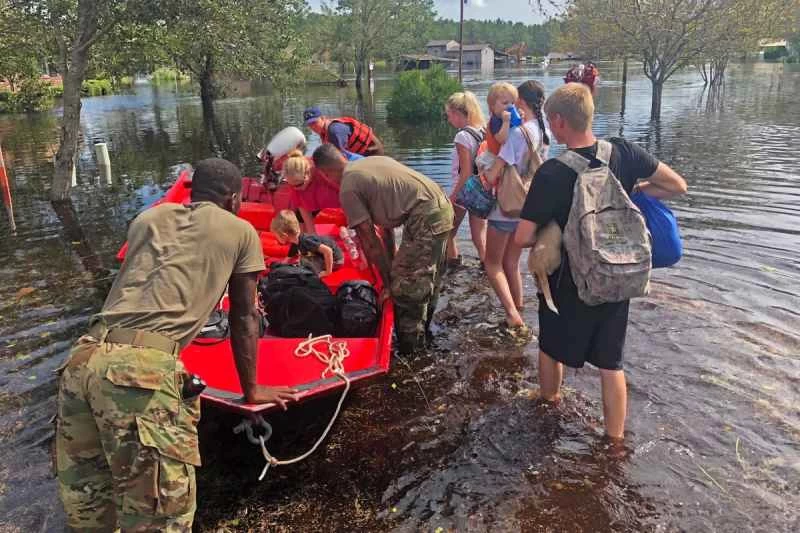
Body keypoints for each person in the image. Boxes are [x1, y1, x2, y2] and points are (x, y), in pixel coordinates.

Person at [55, 159, 298, 531]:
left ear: (193, 191)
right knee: (162, 516)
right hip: (142, 372)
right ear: (233, 198)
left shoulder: (148, 219)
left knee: (90, 505)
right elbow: (244, 317)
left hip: (83, 359)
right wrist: (251, 390)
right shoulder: (240, 230)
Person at [514, 83, 687, 440]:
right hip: (617, 273)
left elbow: (521, 237)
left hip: (569, 282)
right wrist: (633, 192)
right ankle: (615, 441)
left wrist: (550, 226)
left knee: (551, 346)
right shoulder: (623, 152)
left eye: (550, 121)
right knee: (611, 363)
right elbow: (676, 186)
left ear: (560, 122)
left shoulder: (552, 173)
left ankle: (549, 400)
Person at [312, 144, 453, 354]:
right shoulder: (369, 163)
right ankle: (426, 332)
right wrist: (393, 265)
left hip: (424, 215)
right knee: (426, 279)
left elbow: (369, 241)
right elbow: (386, 230)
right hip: (441, 205)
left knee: (405, 289)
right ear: (342, 157)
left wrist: (389, 284)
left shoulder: (349, 187)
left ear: (324, 173)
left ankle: (412, 352)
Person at [482, 80, 551, 331]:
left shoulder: (517, 134)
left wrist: (483, 168)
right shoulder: (543, 131)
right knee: (512, 263)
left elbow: (493, 175)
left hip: (506, 206)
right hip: (528, 206)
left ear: (520, 102)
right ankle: (519, 307)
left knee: (492, 264)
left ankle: (512, 315)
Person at [444, 91, 487, 267]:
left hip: (465, 191)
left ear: (457, 113)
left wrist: (453, 196)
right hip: (483, 188)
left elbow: (466, 172)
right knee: (479, 235)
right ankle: (488, 268)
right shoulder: (484, 130)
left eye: (449, 115)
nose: (449, 120)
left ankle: (452, 267)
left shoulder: (462, 136)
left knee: (447, 233)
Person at [282, 149, 343, 234]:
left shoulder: (323, 172)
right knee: (301, 224)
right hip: (313, 201)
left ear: (308, 173)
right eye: (292, 185)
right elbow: (308, 223)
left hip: (336, 197)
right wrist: (313, 242)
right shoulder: (296, 189)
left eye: (299, 184)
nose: (297, 189)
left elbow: (345, 191)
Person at [271, 209, 344, 277]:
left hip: (336, 261)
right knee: (303, 260)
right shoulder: (296, 239)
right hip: (327, 257)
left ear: (284, 235)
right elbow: (295, 250)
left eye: (276, 235)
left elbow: (328, 251)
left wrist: (328, 272)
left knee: (305, 264)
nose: (276, 238)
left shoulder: (306, 240)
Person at [303, 107, 385, 156]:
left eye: (315, 122)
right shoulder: (325, 131)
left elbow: (340, 158)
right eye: (309, 124)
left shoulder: (334, 131)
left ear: (323, 118)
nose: (313, 126)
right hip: (361, 153)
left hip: (372, 151)